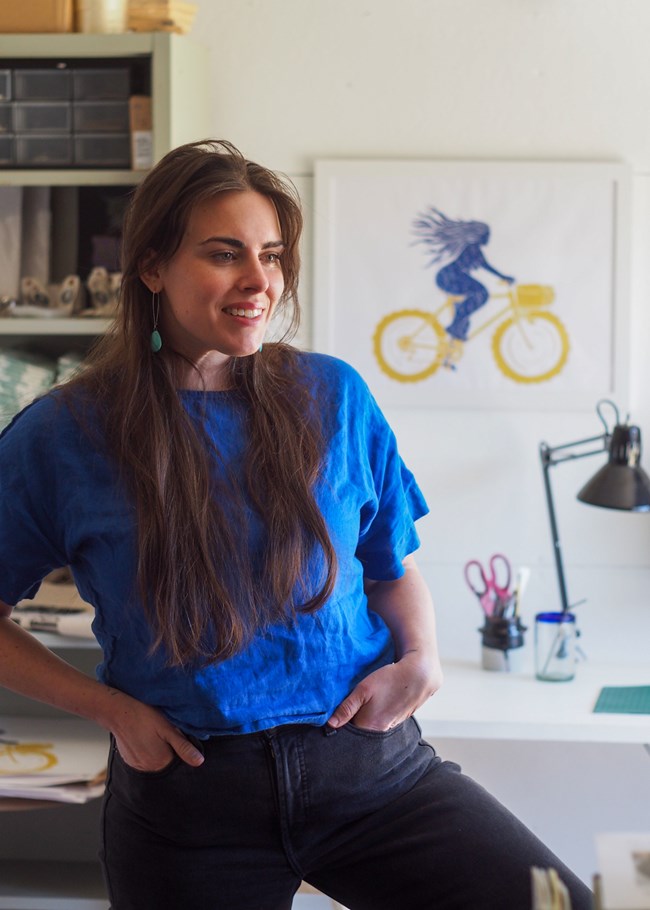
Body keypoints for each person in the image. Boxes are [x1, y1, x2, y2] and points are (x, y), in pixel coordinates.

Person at [0, 140, 591, 910]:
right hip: (189, 803)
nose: (260, 282)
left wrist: (424, 655)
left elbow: (390, 562)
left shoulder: (332, 396)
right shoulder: (63, 433)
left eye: (273, 255)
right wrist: (110, 711)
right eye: (225, 254)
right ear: (151, 266)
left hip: (370, 775)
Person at [412, 207, 515, 366]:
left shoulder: (475, 249)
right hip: (449, 277)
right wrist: (504, 277)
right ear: (480, 235)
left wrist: (504, 277)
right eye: (487, 235)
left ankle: (449, 354)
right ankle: (456, 322)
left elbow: (485, 266)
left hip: (454, 277)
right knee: (481, 293)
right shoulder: (473, 249)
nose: (488, 238)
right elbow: (486, 266)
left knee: (467, 312)